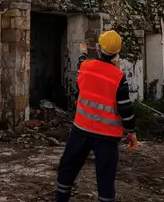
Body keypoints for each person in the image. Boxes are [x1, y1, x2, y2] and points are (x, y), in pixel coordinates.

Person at [55, 30, 137, 202]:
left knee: (67, 169)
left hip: (81, 131)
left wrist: (83, 50)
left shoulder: (85, 67)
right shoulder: (118, 77)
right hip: (107, 137)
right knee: (106, 179)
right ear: (116, 53)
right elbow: (125, 109)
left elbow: (81, 61)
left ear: (99, 48)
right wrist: (131, 131)